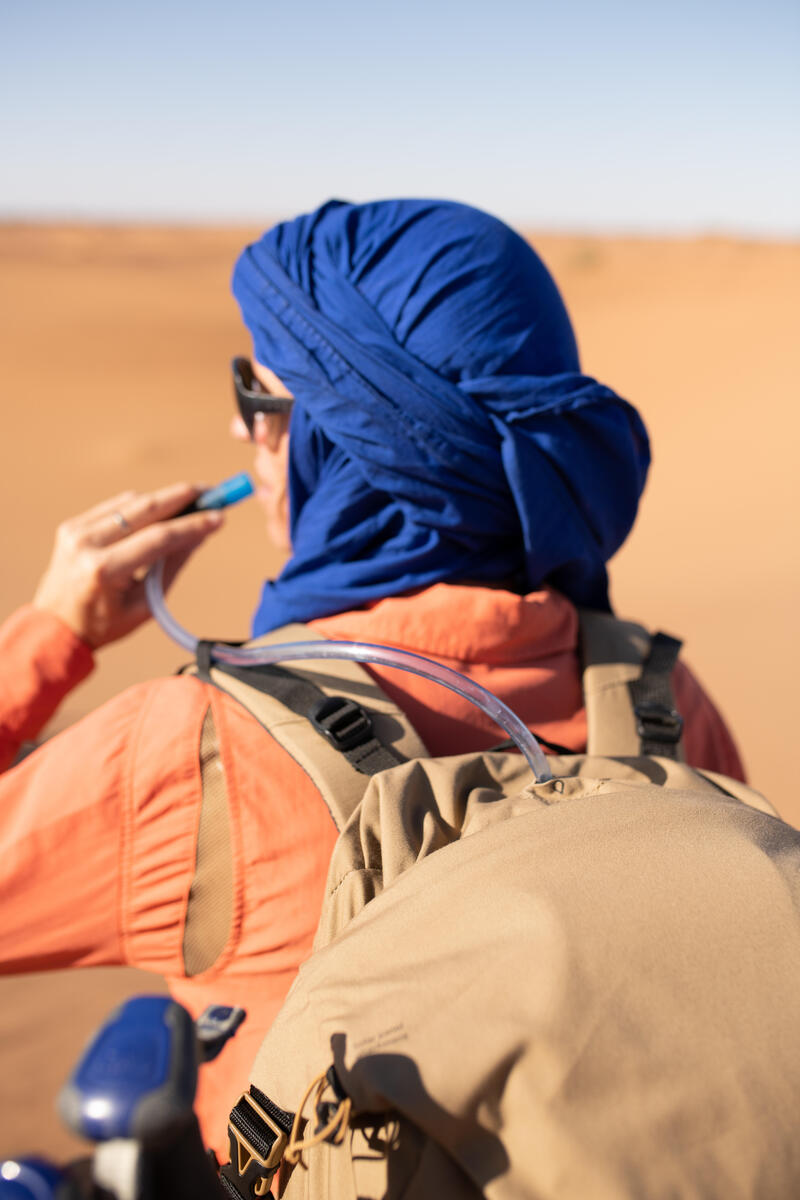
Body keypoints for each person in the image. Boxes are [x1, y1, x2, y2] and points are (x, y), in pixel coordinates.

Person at [0, 199, 744, 1159]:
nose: (241, 433)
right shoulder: (665, 707)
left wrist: (50, 633)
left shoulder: (194, 757)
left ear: (350, 439)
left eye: (261, 400)